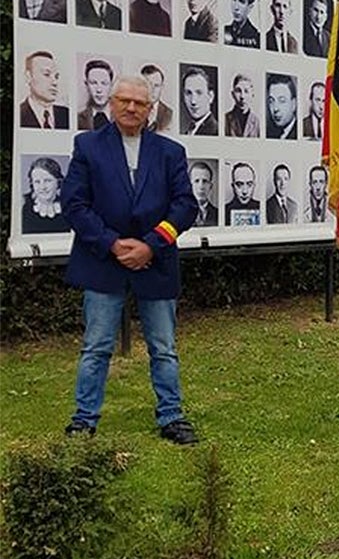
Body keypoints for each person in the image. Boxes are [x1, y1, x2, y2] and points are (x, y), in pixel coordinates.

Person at [60, 73, 199, 445]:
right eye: (125, 100)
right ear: (112, 103)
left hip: (156, 262)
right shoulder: (87, 146)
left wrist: (151, 245)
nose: (132, 108)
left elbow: (186, 205)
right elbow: (74, 204)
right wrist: (113, 244)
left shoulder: (170, 152)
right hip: (103, 261)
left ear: (151, 109)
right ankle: (84, 420)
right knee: (96, 347)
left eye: (140, 103)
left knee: (164, 349)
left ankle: (171, 416)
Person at [20, 51, 71, 129]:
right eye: (46, 74)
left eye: (56, 77)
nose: (55, 82)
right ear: (28, 77)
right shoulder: (19, 114)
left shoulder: (66, 114)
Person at [22, 157, 69, 233]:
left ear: (58, 182)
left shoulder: (69, 207)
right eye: (37, 182)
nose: (43, 187)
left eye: (48, 181)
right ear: (32, 184)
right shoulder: (24, 210)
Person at [180, 66, 218, 136]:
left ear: (210, 96)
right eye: (188, 93)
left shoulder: (215, 130)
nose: (193, 101)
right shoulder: (189, 131)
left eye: (199, 93)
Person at [77, 60, 113, 131]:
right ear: (86, 85)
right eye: (93, 83)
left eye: (104, 83)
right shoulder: (78, 119)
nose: (99, 90)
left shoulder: (121, 118)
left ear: (111, 85)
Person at [224, 73, 259, 137]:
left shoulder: (257, 121)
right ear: (232, 94)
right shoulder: (225, 119)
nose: (242, 96)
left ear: (252, 95)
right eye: (238, 91)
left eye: (246, 91)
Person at [140, 64, 173, 132]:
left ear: (162, 87)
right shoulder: (132, 111)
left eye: (157, 85)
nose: (152, 90)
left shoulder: (170, 114)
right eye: (148, 85)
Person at [266, 74, 297, 139]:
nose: (275, 108)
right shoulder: (270, 134)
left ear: (294, 104)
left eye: (282, 101)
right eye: (271, 101)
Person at [189, 161, 218, 227]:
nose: (201, 186)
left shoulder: (218, 214)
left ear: (210, 186)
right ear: (190, 186)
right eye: (196, 181)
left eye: (205, 181)